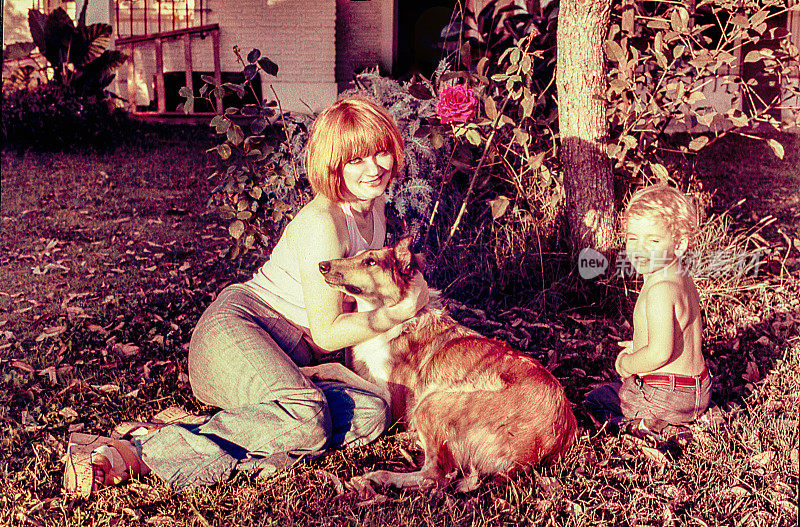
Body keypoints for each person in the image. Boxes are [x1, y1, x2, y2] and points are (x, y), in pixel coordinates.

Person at [63, 97, 430, 496]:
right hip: (238, 332)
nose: (373, 169)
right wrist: (399, 312)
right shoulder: (323, 223)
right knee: (308, 418)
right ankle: (137, 450)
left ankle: (203, 432)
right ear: (333, 165)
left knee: (372, 413)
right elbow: (327, 333)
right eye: (356, 159)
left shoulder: (372, 211)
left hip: (295, 361)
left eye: (380, 153)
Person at [584, 184, 711, 440]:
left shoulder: (659, 290)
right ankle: (686, 417)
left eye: (652, 240)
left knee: (596, 401)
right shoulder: (681, 277)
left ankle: (648, 425)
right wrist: (641, 341)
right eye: (633, 237)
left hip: (667, 396)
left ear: (679, 245)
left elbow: (660, 352)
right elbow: (679, 330)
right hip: (699, 388)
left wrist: (627, 364)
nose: (639, 249)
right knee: (614, 392)